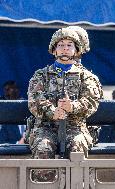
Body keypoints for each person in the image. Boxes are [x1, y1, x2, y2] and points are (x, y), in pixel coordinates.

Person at [27, 27, 103, 160]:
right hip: (45, 128)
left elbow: (91, 101)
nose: (65, 48)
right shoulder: (41, 75)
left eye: (69, 45)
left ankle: (77, 182)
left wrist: (72, 106)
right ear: (54, 50)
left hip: (75, 128)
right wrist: (52, 111)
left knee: (76, 148)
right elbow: (34, 99)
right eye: (61, 45)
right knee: (43, 148)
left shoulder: (86, 77)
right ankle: (45, 181)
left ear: (76, 50)